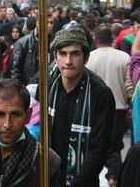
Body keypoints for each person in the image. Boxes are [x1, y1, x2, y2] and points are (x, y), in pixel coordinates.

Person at [48, 27, 115, 186]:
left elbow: (98, 151)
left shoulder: (100, 94)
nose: (68, 61)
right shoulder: (48, 87)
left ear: (86, 57)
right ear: (55, 57)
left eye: (75, 54)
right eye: (63, 54)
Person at [86, 25, 133, 187]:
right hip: (118, 108)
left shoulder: (88, 58)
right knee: (114, 144)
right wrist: (131, 105)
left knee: (96, 143)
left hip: (94, 109)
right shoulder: (124, 57)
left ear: (95, 40)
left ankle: (101, 175)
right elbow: (129, 86)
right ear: (112, 39)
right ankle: (113, 176)